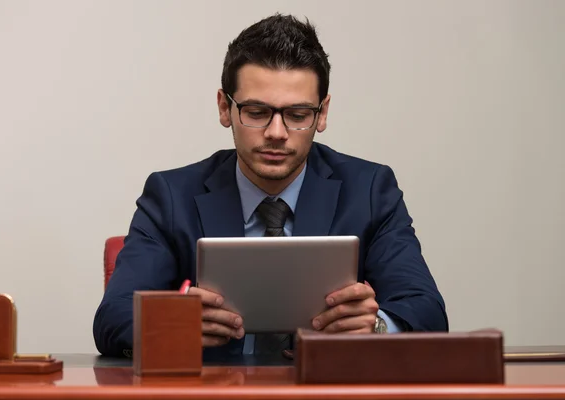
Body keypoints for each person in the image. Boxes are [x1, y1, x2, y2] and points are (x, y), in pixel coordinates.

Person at [93, 13, 448, 359]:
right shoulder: (171, 196)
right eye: (257, 112)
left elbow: (427, 312)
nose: (276, 133)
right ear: (224, 107)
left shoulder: (369, 191)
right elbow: (112, 320)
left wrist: (375, 328)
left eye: (297, 115)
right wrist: (174, 324)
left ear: (321, 114)